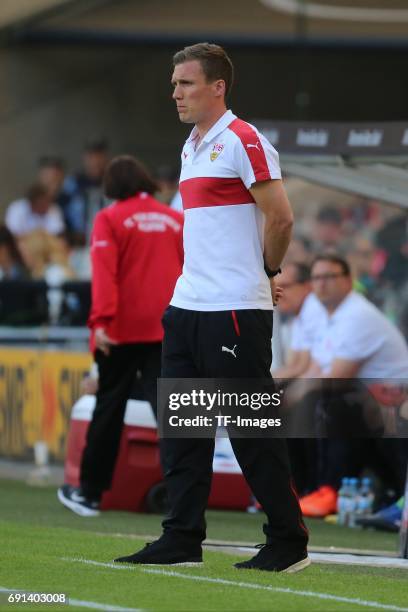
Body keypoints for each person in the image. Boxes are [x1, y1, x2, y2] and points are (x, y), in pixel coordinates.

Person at [114, 42, 309, 572]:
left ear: (217, 87)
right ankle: (181, 538)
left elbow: (282, 219)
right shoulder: (191, 145)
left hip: (232, 312)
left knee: (251, 432)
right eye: (175, 84)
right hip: (186, 308)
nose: (174, 92)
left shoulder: (245, 141)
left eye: (185, 83)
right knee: (183, 435)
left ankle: (288, 542)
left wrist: (266, 274)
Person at [57, 155, 183, 516]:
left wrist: (100, 323)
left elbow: (105, 274)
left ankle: (90, 493)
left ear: (111, 186)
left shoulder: (109, 218)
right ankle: (187, 497)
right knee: (174, 413)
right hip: (169, 326)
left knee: (109, 408)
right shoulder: (176, 219)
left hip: (122, 330)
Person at [300, 253, 408, 517]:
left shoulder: (357, 315)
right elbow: (315, 367)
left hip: (393, 401)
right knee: (309, 402)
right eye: (316, 278)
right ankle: (310, 489)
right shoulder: (327, 313)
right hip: (375, 404)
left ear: (348, 281)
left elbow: (336, 376)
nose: (321, 284)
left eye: (329, 277)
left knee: (334, 403)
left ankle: (332, 490)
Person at [62, 139, 110, 244]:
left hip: (107, 238)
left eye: (99, 156)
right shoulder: (74, 182)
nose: (95, 161)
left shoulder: (113, 181)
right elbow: (62, 210)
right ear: (85, 158)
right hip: (77, 239)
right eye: (91, 157)